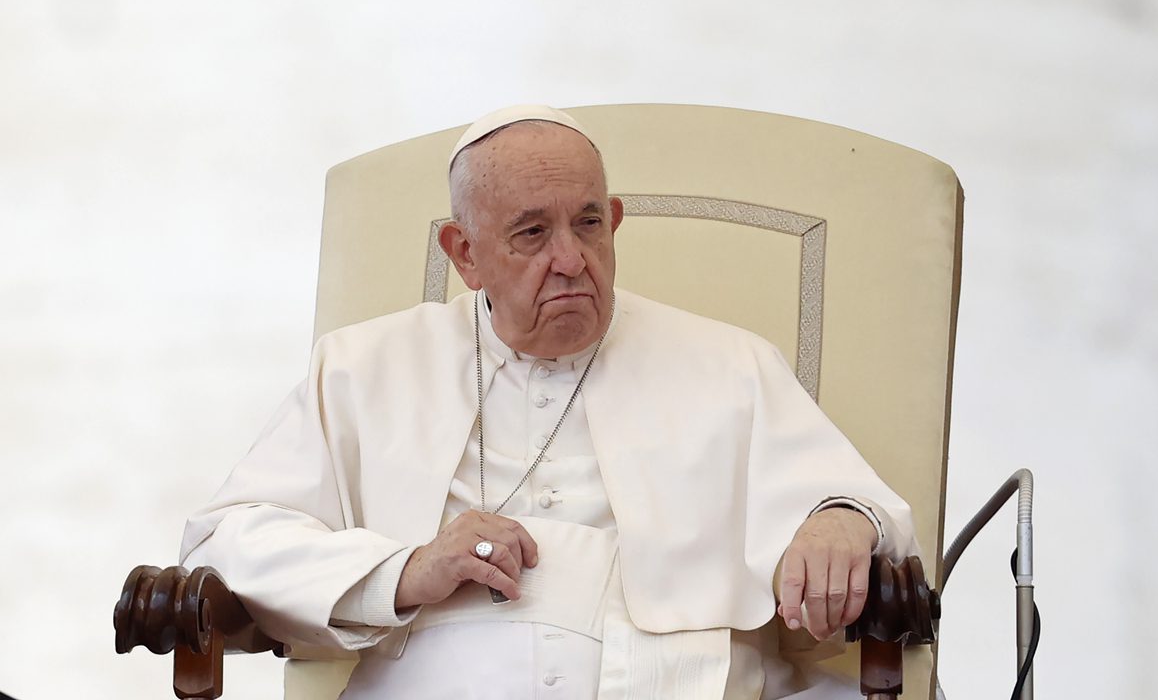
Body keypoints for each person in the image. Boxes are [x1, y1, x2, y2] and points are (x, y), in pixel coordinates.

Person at [182, 105, 919, 699]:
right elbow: (226, 540)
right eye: (532, 233)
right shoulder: (361, 368)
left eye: (589, 223)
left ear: (615, 221)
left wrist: (839, 521)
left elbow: (853, 502)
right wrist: (403, 570)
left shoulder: (729, 363)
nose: (571, 260)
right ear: (463, 254)